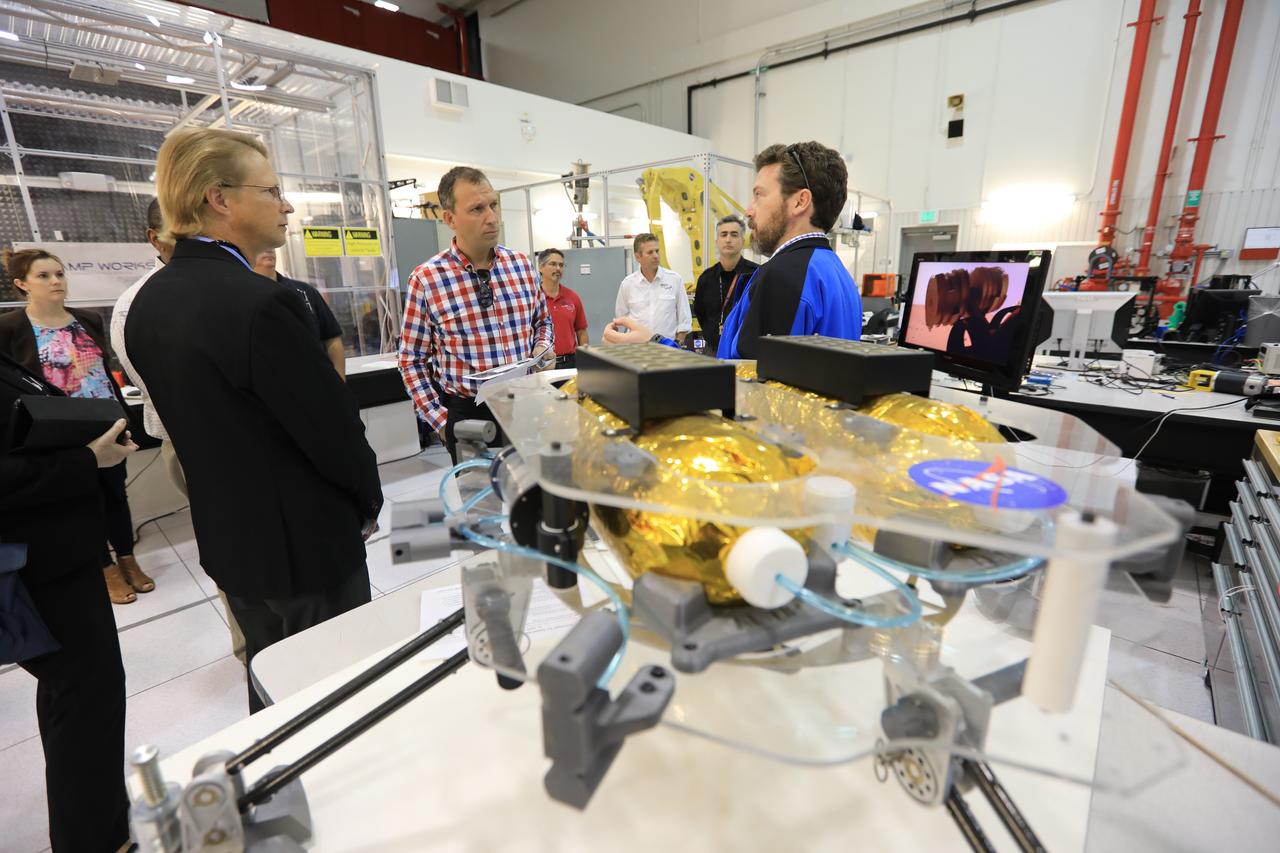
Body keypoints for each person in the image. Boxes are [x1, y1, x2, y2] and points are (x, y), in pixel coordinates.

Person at [125, 128, 383, 713]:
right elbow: (331, 431)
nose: (286, 205)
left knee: (270, 688)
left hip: (231, 543)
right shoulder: (260, 303)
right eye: (271, 191)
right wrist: (366, 501)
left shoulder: (148, 303)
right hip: (305, 550)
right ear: (219, 199)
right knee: (335, 696)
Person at [2, 348, 137, 852]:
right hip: (33, 567)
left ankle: (100, 824)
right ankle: (94, 838)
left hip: (59, 557)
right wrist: (86, 459)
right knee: (83, 696)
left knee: (80, 694)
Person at [111, 199, 249, 665]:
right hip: (194, 441)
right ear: (156, 239)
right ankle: (250, 641)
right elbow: (156, 385)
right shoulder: (138, 303)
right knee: (230, 538)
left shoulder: (232, 283)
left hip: (240, 437)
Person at [604, 141, 862, 356]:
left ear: (799, 201)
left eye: (759, 195)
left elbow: (741, 386)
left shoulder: (784, 277)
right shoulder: (837, 274)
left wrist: (654, 343)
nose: (749, 210)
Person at [0, 248, 153, 605]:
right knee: (83, 499)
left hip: (104, 421)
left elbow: (103, 370)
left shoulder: (87, 318)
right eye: (43, 276)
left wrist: (122, 415)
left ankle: (127, 558)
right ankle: (105, 568)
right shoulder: (10, 327)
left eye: (59, 273)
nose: (55, 281)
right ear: (22, 284)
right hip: (59, 431)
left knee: (116, 495)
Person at [399, 165, 554, 463]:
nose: (492, 217)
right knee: (481, 492)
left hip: (526, 404)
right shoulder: (427, 279)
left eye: (493, 205)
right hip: (469, 414)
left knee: (534, 487)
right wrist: (441, 422)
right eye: (477, 209)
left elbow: (542, 321)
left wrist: (542, 347)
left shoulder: (521, 266)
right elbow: (411, 360)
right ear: (450, 219)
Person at [252, 249, 347, 378]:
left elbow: (332, 339)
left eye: (272, 246)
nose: (268, 250)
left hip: (314, 379)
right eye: (262, 245)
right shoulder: (241, 296)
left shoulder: (304, 291)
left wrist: (339, 381)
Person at [692, 214, 758, 352]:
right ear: (717, 241)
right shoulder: (706, 278)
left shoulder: (756, 274)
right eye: (724, 234)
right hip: (713, 349)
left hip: (745, 351)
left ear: (742, 240)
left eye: (734, 235)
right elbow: (701, 313)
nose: (728, 239)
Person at [615, 233, 691, 345]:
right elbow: (621, 321)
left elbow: (684, 320)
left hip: (668, 350)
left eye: (657, 251)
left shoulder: (675, 280)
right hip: (637, 350)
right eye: (650, 252)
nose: (655, 255)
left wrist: (676, 345)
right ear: (638, 257)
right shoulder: (627, 284)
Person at [538, 247, 589, 368]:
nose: (558, 268)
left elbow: (581, 332)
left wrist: (585, 360)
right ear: (541, 267)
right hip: (542, 364)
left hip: (570, 362)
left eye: (561, 265)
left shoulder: (572, 297)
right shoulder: (533, 297)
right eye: (553, 264)